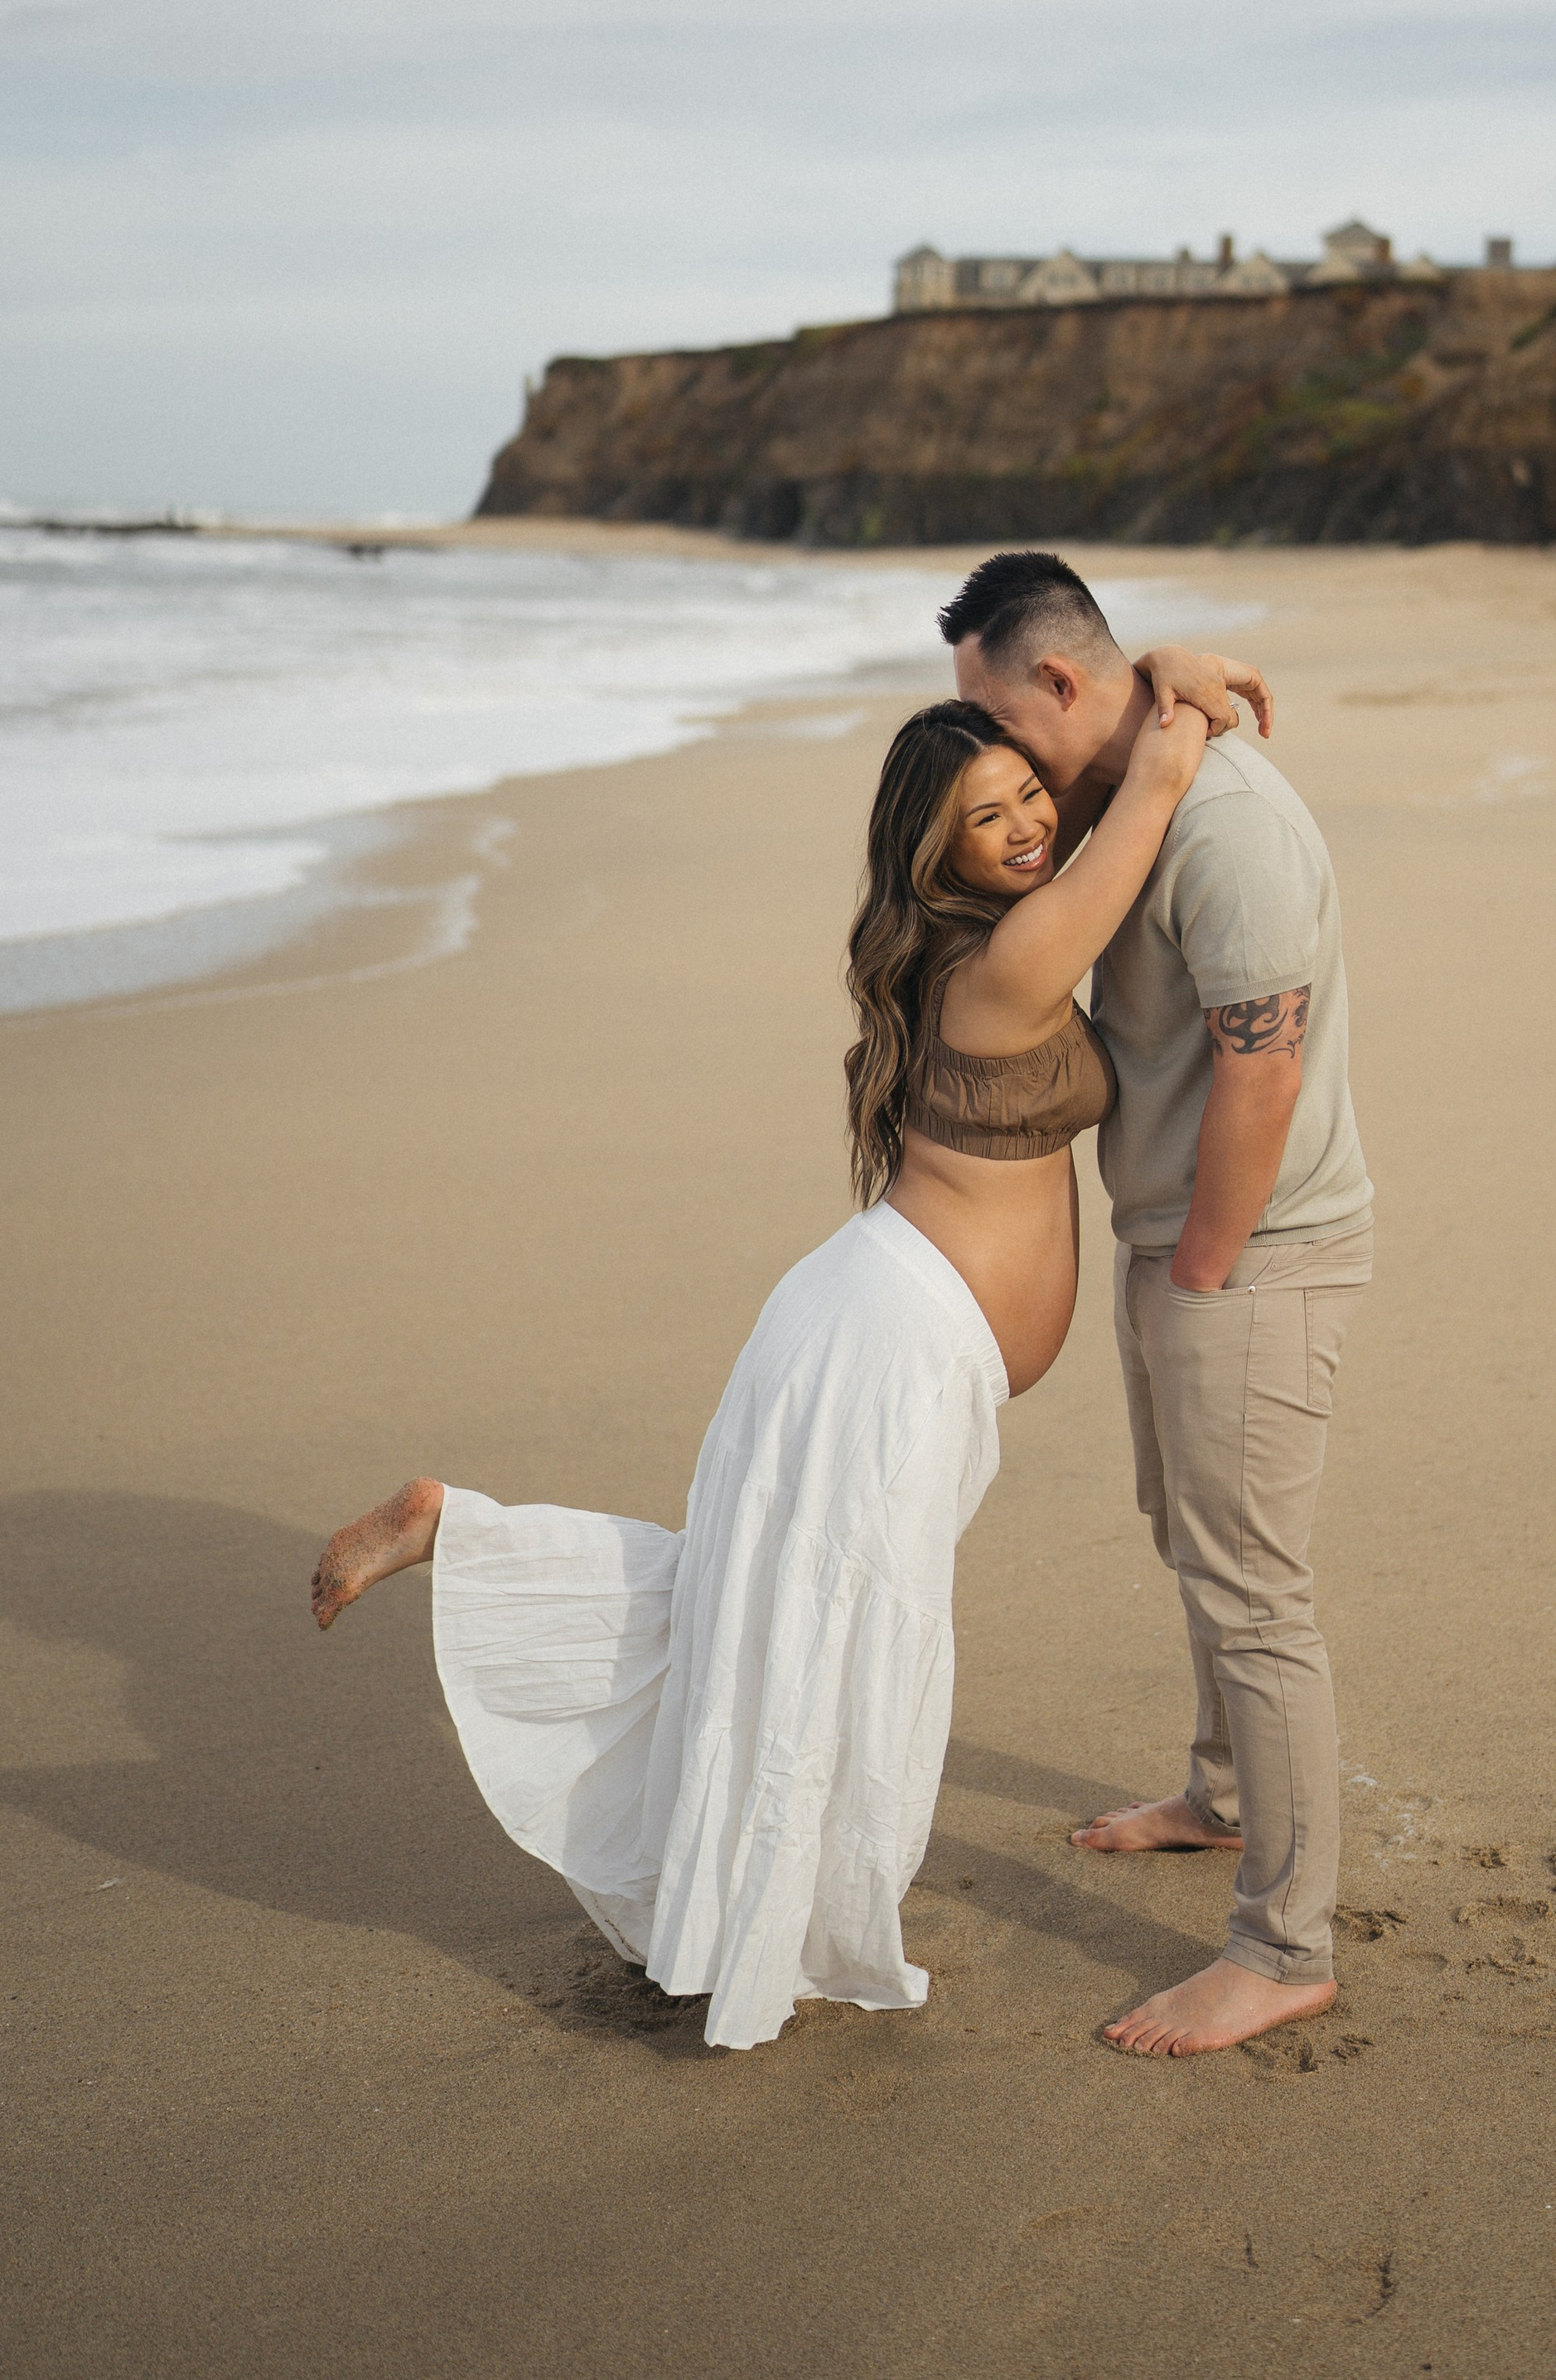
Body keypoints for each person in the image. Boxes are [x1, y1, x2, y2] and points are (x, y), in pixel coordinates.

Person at [307, 640, 1264, 2051]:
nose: (1027, 824)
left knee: (758, 1608)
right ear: (935, 854)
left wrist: (1154, 668)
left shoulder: (991, 946)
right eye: (987, 815)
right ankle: (767, 1921)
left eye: (1027, 797)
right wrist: (1174, 678)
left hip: (880, 1339)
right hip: (878, 1349)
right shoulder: (1004, 959)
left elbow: (1116, 806)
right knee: (818, 1623)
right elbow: (1158, 785)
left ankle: (472, 1533)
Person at [944, 552, 1372, 2059]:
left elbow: (1264, 1066)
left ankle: (1284, 1944)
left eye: (1001, 718)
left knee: (1255, 1589)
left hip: (1245, 1248)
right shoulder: (1139, 785)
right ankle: (1225, 1797)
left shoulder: (1230, 827)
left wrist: (1200, 1266)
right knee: (1189, 1535)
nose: (999, 764)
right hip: (1180, 1234)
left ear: (1062, 680)